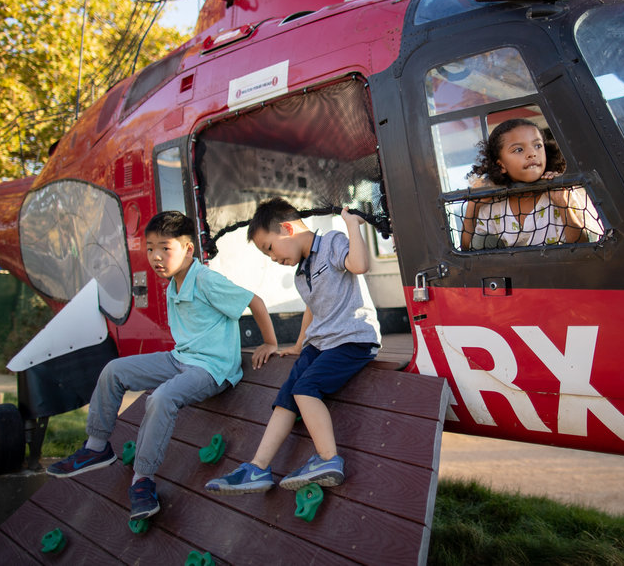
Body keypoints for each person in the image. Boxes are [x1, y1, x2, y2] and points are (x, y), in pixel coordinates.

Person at [46, 210, 278, 521]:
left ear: (188, 249)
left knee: (161, 398)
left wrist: (271, 342)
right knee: (114, 370)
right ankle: (97, 446)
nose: (156, 257)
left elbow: (255, 301)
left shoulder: (206, 280)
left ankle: (142, 480)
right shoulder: (173, 285)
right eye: (150, 248)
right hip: (180, 358)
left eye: (165, 248)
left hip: (211, 369)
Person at [204, 197, 381, 494]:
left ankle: (328, 459)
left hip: (352, 339)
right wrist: (300, 344)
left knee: (305, 389)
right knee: (287, 395)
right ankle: (258, 467)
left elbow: (359, 264)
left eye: (270, 248)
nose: (272, 258)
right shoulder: (301, 272)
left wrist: (352, 226)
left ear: (287, 228)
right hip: (321, 343)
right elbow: (312, 308)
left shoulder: (332, 243)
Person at [460, 118, 601, 250]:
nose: (532, 153)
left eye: (538, 145)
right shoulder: (492, 206)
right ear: (501, 165)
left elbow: (584, 246)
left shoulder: (562, 191)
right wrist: (473, 205)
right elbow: (469, 250)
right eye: (519, 150)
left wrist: (562, 202)